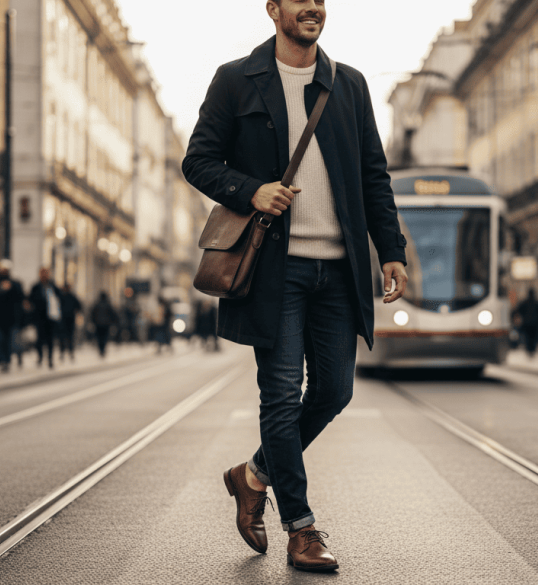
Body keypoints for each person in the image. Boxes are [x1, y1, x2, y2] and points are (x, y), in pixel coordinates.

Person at [183, 0, 409, 571]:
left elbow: (374, 175)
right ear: (273, 9)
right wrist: (250, 191)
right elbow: (198, 161)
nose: (314, 7)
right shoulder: (237, 79)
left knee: (334, 391)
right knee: (281, 395)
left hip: (339, 269)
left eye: (321, 0)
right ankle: (301, 528)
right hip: (274, 270)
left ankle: (252, 474)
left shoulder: (348, 84)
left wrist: (391, 250)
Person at [0, 259, 25, 373]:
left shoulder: (15, 283)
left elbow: (20, 298)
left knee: (10, 340)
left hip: (11, 317)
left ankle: (7, 360)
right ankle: (0, 358)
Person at [28, 267, 62, 369]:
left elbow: (59, 300)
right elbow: (30, 300)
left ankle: (50, 358)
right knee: (39, 339)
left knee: (50, 339)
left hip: (51, 317)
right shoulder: (36, 287)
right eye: (42, 273)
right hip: (39, 317)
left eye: (46, 273)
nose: (44, 275)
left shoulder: (53, 287)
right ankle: (40, 357)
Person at [516, 289, 538, 357]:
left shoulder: (525, 303)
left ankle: (529, 349)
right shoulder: (537, 303)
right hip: (535, 324)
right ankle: (532, 349)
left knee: (528, 337)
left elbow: (519, 310)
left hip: (527, 323)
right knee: (534, 337)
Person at [89, 292, 118, 358]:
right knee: (104, 337)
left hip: (98, 324)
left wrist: (92, 321)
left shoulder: (96, 305)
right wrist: (114, 322)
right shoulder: (108, 305)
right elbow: (113, 314)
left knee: (99, 337)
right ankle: (103, 349)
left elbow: (92, 314)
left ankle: (101, 349)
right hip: (106, 324)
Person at [59, 283, 82, 362]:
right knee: (65, 337)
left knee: (68, 337)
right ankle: (65, 352)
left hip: (68, 320)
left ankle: (69, 352)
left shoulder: (69, 297)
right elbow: (79, 306)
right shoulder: (64, 297)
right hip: (65, 320)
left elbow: (78, 306)